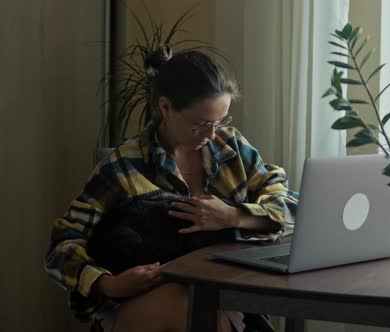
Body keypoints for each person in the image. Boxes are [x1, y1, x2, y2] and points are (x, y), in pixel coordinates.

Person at [45, 50, 298, 332]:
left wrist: (234, 216)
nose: (212, 135)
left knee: (207, 309)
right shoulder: (123, 166)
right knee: (190, 309)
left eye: (220, 121)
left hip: (222, 298)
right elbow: (61, 246)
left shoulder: (231, 148)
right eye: (201, 124)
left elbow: (288, 205)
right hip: (139, 303)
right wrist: (109, 284)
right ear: (165, 108)